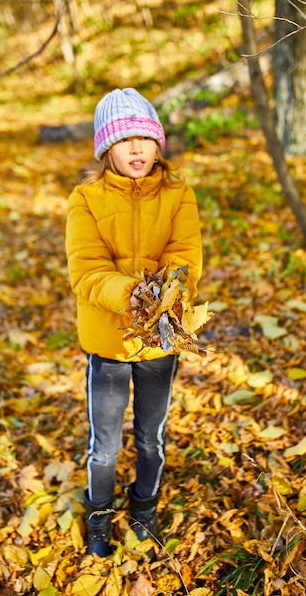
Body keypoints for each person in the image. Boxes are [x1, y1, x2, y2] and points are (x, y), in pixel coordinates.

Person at [65, 88, 202, 558]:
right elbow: (86, 270)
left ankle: (144, 507)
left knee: (150, 437)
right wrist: (132, 296)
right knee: (104, 445)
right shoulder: (86, 199)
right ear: (107, 149)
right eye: (125, 140)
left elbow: (185, 257)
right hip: (108, 341)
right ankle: (99, 512)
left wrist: (169, 295)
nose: (137, 148)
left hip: (159, 345)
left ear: (159, 144)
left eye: (146, 137)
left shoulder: (179, 194)